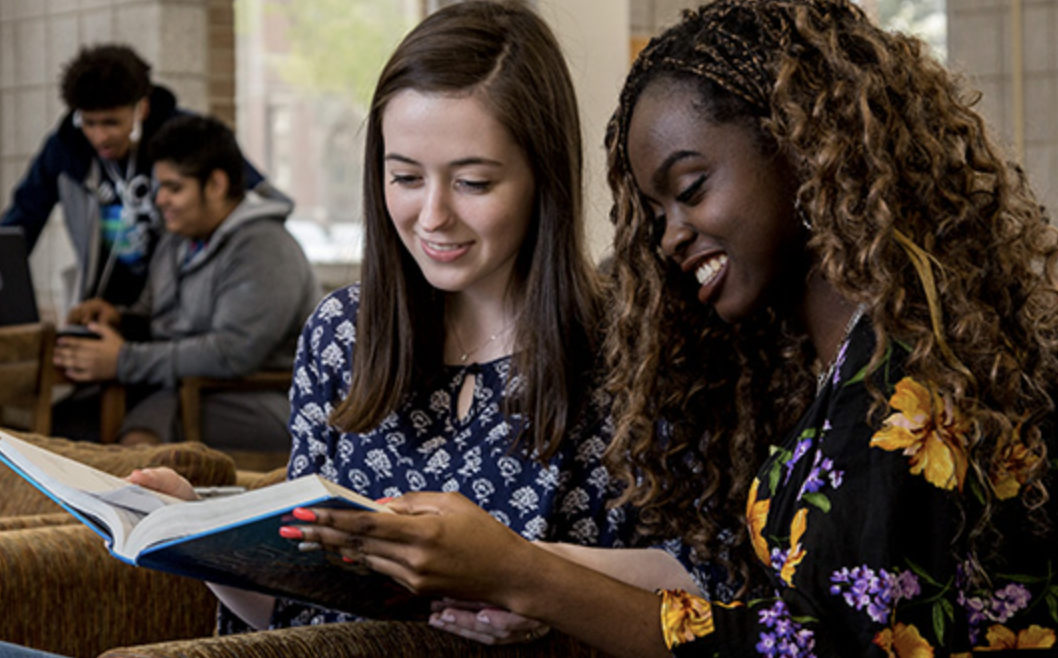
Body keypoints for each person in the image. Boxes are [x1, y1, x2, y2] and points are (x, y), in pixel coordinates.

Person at [282, 1, 1058, 656]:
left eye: (690, 190)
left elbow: (790, 635)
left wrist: (523, 572)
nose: (669, 238)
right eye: (405, 175)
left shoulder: (906, 398)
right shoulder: (843, 374)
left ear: (808, 150)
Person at [129, 0, 702, 647]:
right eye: (404, 177)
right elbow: (296, 615)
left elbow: (705, 583)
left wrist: (528, 576)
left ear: (544, 177)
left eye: (474, 183)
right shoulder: (342, 335)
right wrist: (199, 541)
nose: (432, 217)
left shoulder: (632, 347)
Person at [52, 114, 319, 451]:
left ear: (216, 185)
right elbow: (155, 317)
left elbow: (231, 354)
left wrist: (123, 361)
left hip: (263, 399)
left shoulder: (265, 247)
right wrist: (117, 319)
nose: (159, 199)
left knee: (141, 439)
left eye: (174, 188)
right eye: (159, 185)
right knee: (66, 419)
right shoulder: (177, 241)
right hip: (184, 386)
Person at [0, 44, 278, 308]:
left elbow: (256, 199)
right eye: (89, 123)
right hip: (107, 301)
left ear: (141, 109)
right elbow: (22, 221)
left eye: (112, 122)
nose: (100, 137)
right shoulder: (66, 150)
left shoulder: (186, 136)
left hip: (180, 301)